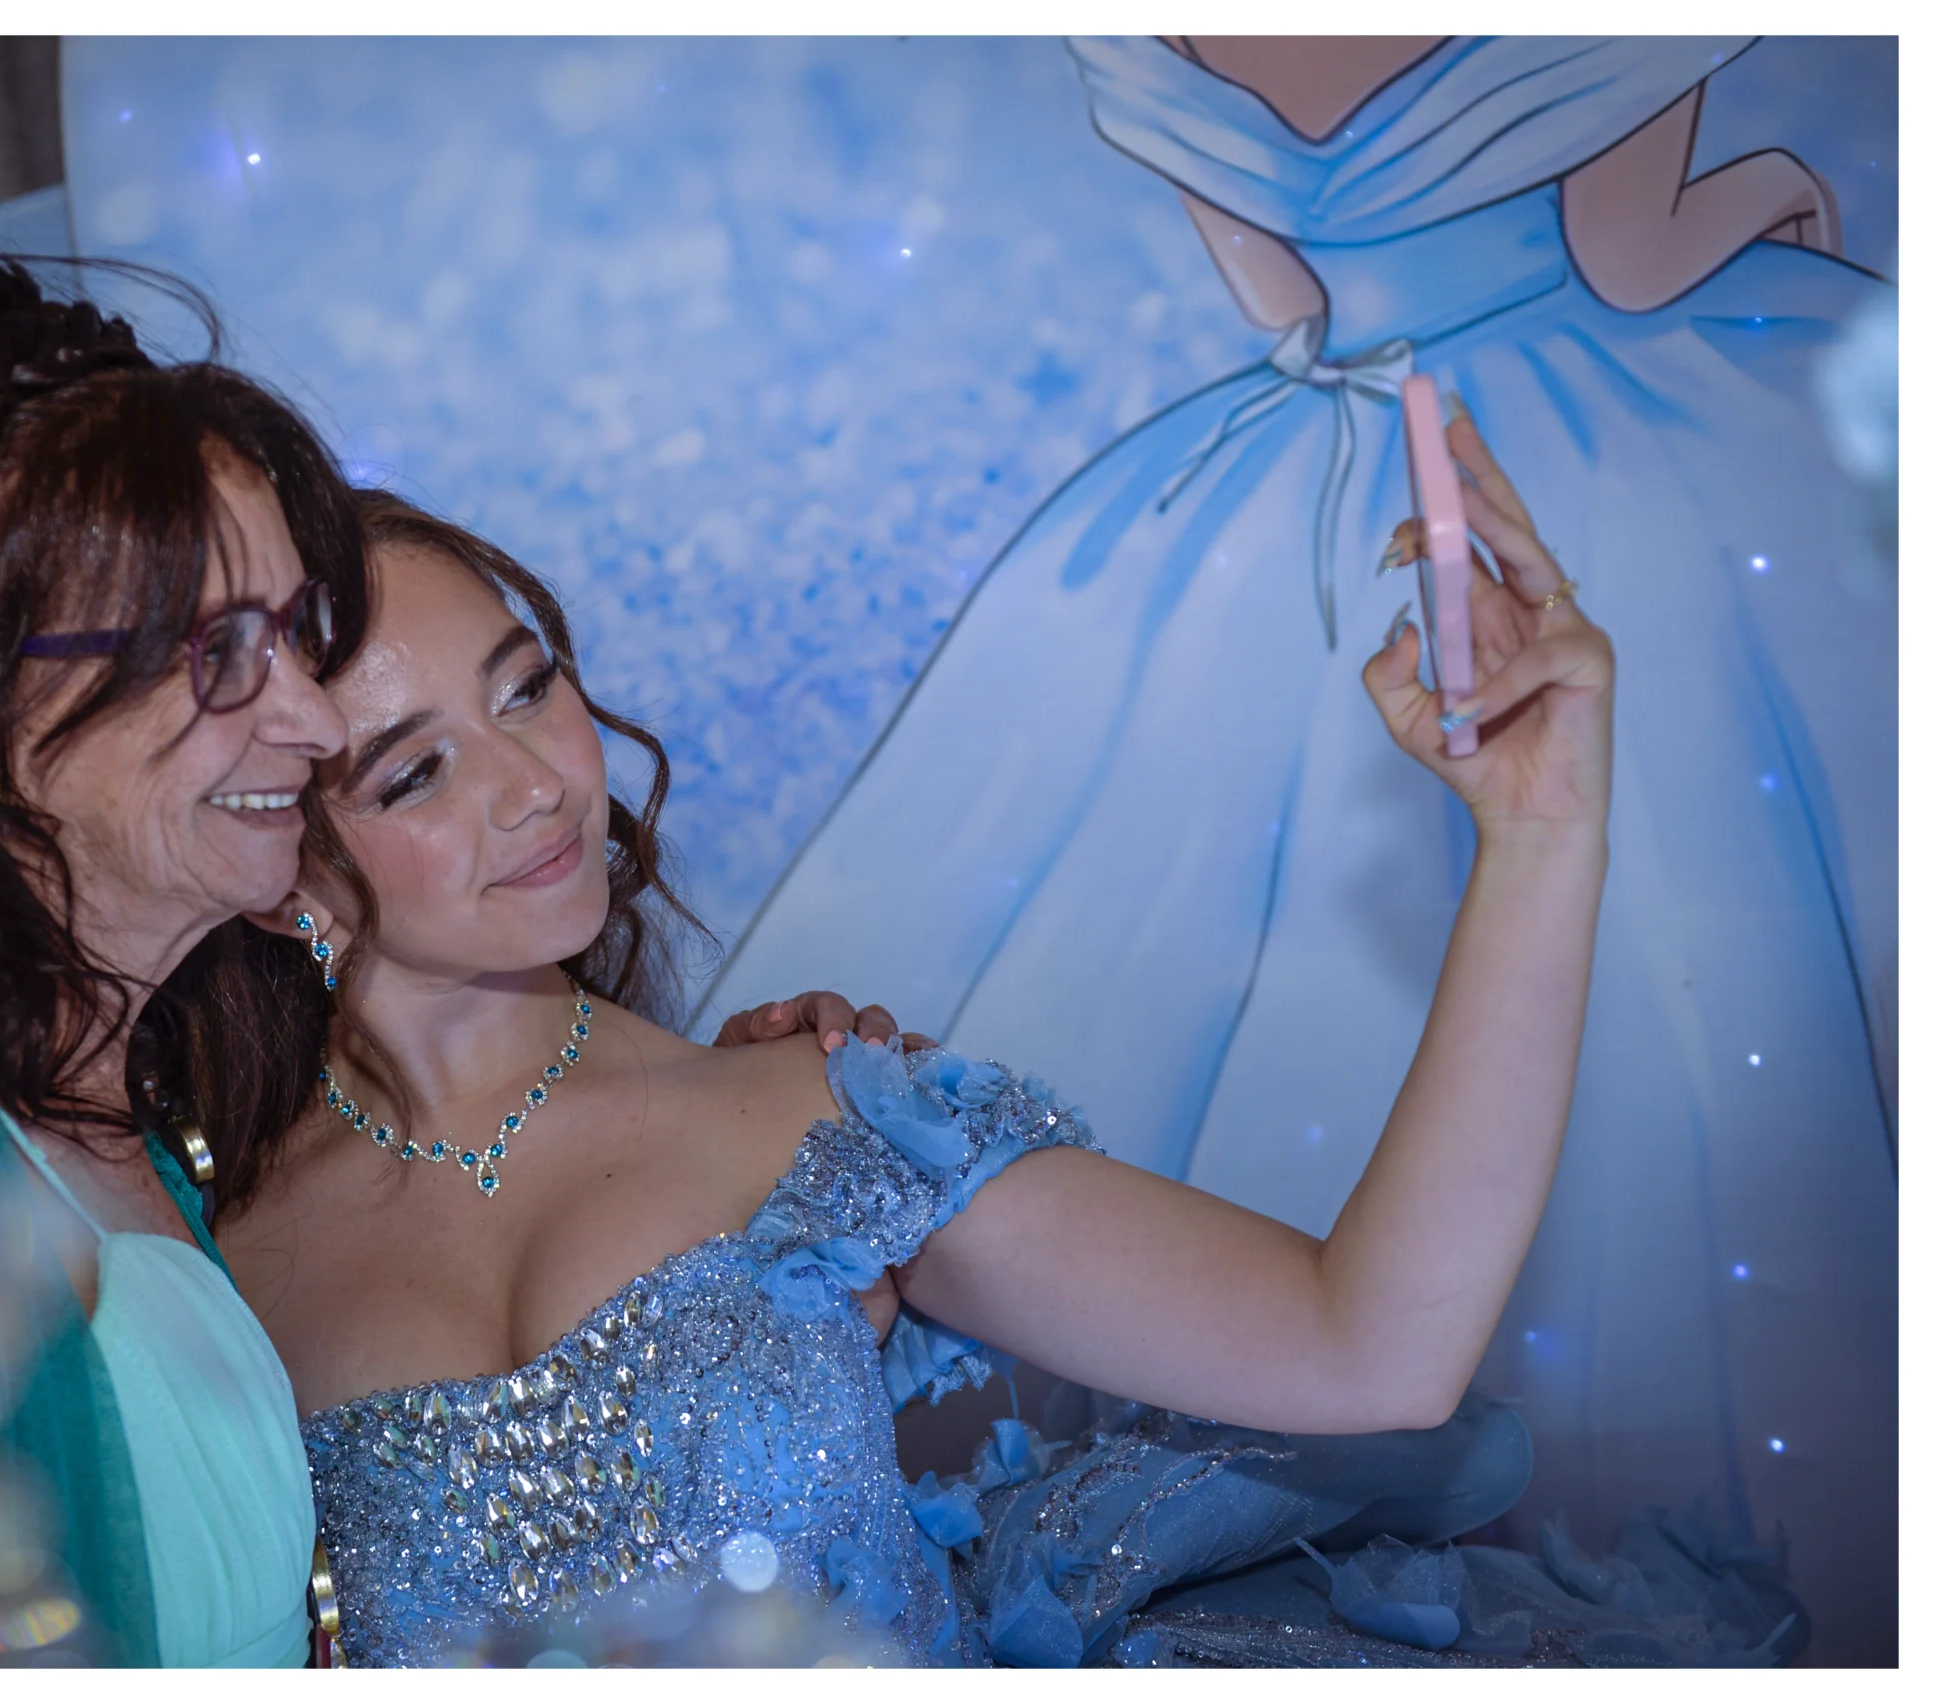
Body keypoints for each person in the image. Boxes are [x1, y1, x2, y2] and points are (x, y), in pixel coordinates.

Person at [697, 35, 1895, 1660]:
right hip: (1560, 459)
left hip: (1295, 487)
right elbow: (1628, 249)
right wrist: (1774, 192)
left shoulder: (1156, 34)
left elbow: (1283, 300)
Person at [0, 214, 879, 1667]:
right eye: (216, 655)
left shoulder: (135, 1119)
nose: (309, 721)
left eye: (289, 632)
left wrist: (783, 1152)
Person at [206, 466, 1797, 1664]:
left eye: (528, 686)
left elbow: (1371, 1344)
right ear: (282, 864)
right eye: (416, 772)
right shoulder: (207, 1250)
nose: (537, 785)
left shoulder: (815, 1110)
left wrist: (1541, 831)